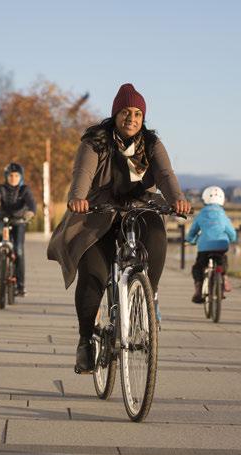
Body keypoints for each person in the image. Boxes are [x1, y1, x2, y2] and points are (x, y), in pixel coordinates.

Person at [47, 83, 191, 373]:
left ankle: (149, 296)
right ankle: (86, 340)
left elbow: (164, 174)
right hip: (99, 210)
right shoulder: (95, 141)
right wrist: (77, 198)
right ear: (116, 113)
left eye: (138, 113)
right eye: (126, 112)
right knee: (93, 275)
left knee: (156, 233)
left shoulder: (151, 144)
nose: (132, 118)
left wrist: (177, 200)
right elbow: (83, 173)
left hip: (139, 206)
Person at [0, 162, 36, 296]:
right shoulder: (2, 189)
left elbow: (31, 203)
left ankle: (21, 286)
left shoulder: (25, 190)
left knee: (19, 250)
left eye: (16, 175)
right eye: (10, 175)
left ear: (21, 177)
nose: (13, 178)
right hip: (3, 217)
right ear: (6, 176)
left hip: (19, 220)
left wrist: (30, 212)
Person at [186, 186, 237, 303]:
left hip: (204, 246)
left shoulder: (201, 214)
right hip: (221, 245)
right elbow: (232, 233)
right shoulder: (223, 215)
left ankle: (198, 290)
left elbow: (193, 231)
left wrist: (190, 240)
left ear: (205, 198)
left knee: (198, 267)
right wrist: (232, 239)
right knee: (222, 260)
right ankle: (224, 277)